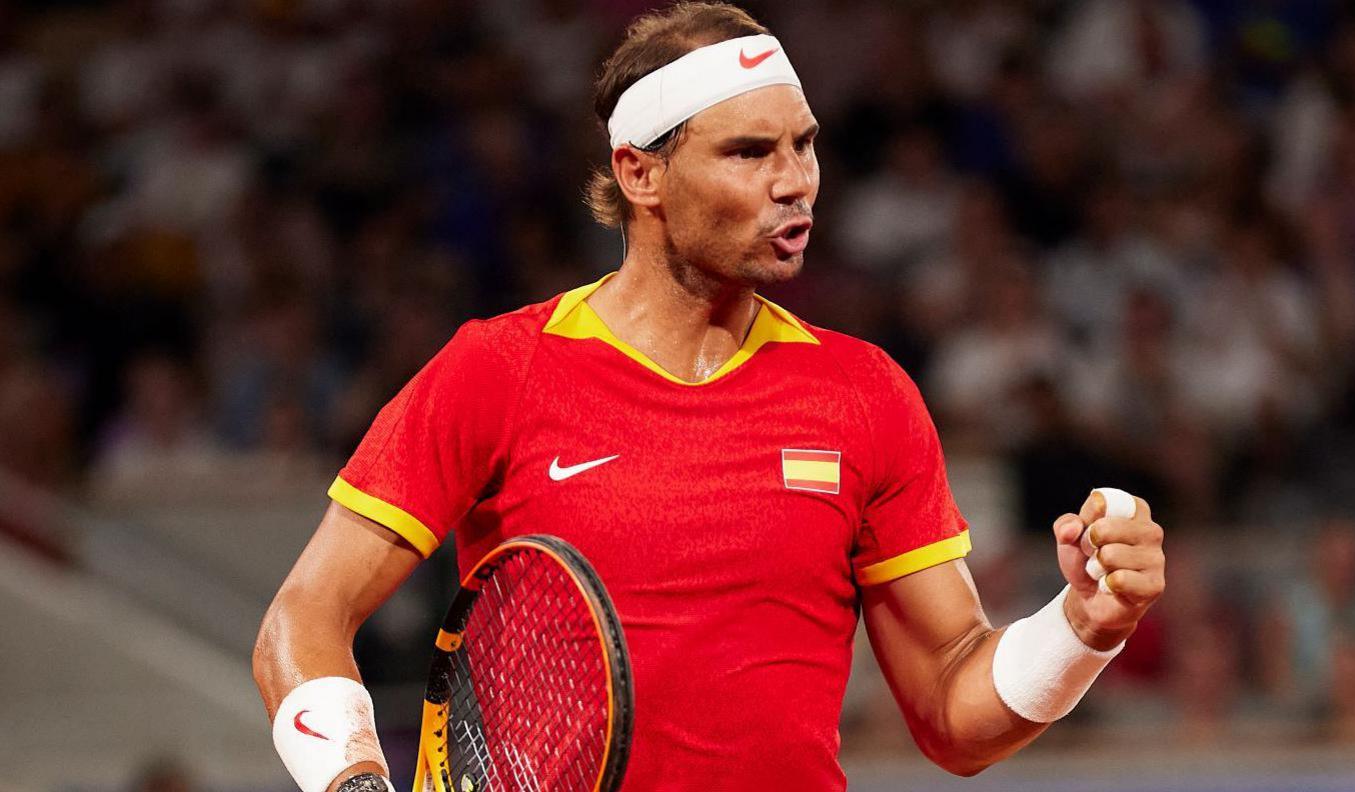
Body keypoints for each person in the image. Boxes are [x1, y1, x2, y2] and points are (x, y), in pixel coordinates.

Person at [251, 4, 1166, 791]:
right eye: (748, 151)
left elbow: (954, 711)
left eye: (804, 144)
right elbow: (302, 620)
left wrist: (1082, 626)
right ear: (641, 173)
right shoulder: (499, 369)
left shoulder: (865, 393)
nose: (794, 182)